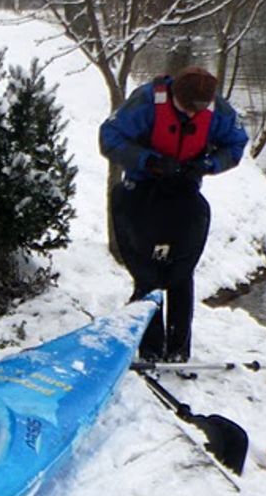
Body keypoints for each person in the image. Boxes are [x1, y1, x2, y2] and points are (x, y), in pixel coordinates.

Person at [99, 66, 249, 363]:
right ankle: (150, 348)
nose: (194, 115)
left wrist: (208, 164)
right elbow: (109, 137)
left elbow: (235, 144)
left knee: (182, 269)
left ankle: (179, 349)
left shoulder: (214, 109)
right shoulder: (146, 102)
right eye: (188, 108)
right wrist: (149, 160)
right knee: (148, 269)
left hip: (184, 191)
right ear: (175, 95)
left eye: (200, 109)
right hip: (143, 189)